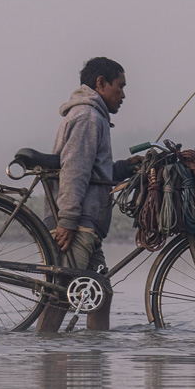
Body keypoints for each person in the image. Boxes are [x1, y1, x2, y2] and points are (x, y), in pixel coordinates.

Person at [38, 57, 127, 333]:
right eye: (119, 86)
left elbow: (92, 171)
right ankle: (44, 359)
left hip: (86, 223)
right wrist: (67, 220)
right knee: (62, 295)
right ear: (101, 84)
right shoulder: (88, 117)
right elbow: (74, 171)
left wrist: (123, 168)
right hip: (78, 223)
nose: (123, 95)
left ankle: (95, 362)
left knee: (101, 294)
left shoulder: (93, 116)